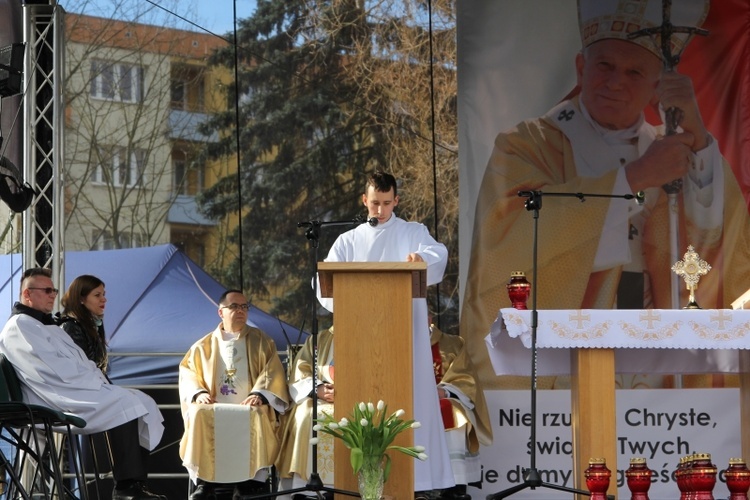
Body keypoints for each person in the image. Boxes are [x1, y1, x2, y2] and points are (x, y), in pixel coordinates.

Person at [461, 0, 750, 384]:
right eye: (605, 66)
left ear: (655, 88)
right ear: (581, 67)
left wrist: (697, 140)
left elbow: (720, 240)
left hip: (655, 346)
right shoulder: (526, 145)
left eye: (634, 72)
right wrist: (634, 179)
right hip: (566, 353)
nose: (616, 82)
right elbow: (505, 240)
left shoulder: (667, 149)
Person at [317, 170, 454, 494]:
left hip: (404, 336)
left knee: (410, 397)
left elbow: (439, 254)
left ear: (397, 201)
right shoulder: (348, 240)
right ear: (364, 200)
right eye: (374, 203)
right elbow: (325, 283)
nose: (379, 210)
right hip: (359, 337)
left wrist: (421, 258)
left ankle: (415, 482)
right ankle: (358, 484)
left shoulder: (413, 232)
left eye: (386, 203)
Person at [0, 268, 166, 500]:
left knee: (142, 400)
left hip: (70, 387)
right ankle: (125, 488)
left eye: (54, 290)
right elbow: (47, 371)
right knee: (126, 402)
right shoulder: (20, 325)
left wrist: (95, 379)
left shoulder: (45, 326)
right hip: (50, 395)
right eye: (47, 290)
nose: (53, 295)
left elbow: (78, 361)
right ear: (27, 294)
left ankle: (135, 483)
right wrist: (94, 380)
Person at [179, 289, 291, 500]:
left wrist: (260, 393)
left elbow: (272, 370)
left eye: (244, 307)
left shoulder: (262, 341)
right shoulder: (203, 345)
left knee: (257, 415)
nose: (240, 311)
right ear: (220, 312)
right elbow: (188, 372)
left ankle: (252, 483)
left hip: (249, 404)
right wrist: (199, 392)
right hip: (213, 404)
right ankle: (205, 483)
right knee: (198, 414)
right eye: (234, 306)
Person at [430, 321, 492, 500]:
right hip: (406, 399)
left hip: (441, 397)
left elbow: (466, 378)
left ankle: (455, 485)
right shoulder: (399, 342)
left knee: (450, 410)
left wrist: (444, 390)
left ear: (429, 316)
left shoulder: (452, 343)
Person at [276, 326, 336, 498]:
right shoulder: (319, 339)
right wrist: (317, 388)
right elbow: (300, 372)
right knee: (305, 416)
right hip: (319, 397)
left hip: (355, 399)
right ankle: (304, 487)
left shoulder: (369, 334)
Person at [59, 274, 109, 374]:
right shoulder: (71, 327)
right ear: (81, 299)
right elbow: (80, 371)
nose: (104, 299)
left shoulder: (93, 324)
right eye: (97, 295)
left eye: (103, 294)